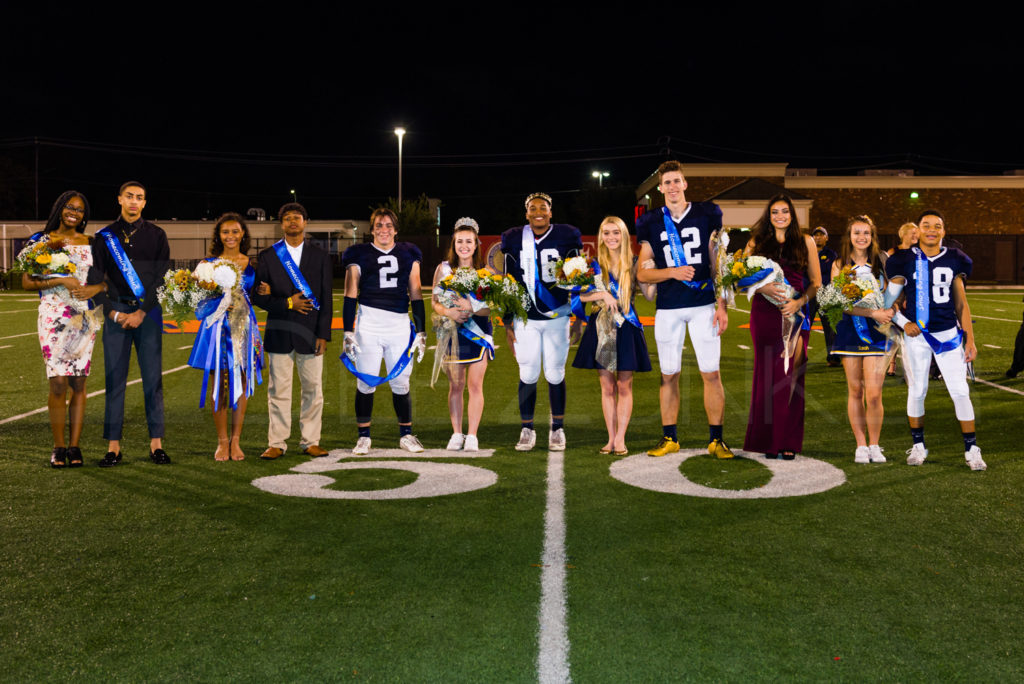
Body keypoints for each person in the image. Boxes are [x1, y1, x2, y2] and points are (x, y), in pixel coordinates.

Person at [636, 161, 733, 459]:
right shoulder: (652, 220)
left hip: (704, 304)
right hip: (668, 307)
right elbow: (642, 273)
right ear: (661, 188)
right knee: (669, 375)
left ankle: (716, 439)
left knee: (711, 373)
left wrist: (722, 305)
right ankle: (670, 438)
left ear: (685, 183)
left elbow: (718, 264)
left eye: (677, 181)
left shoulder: (706, 213)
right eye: (667, 183)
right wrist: (672, 272)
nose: (673, 187)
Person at [884, 209, 985, 471]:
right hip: (917, 336)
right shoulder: (903, 260)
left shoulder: (955, 258)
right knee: (917, 391)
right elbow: (887, 303)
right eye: (926, 225)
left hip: (948, 335)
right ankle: (918, 445)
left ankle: (972, 449)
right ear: (917, 230)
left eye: (937, 226)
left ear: (943, 230)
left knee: (960, 391)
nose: (932, 229)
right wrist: (904, 323)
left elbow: (961, 304)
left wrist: (970, 340)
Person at [21, 191, 106, 467]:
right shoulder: (41, 241)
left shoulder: (92, 243)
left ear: (84, 216)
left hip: (83, 316)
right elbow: (26, 282)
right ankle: (58, 446)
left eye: (80, 210)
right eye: (69, 207)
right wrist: (59, 282)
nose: (74, 212)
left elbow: (106, 281)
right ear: (59, 209)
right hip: (52, 314)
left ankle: (74, 447)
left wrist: (96, 287)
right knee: (58, 381)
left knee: (78, 381)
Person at [92, 181, 171, 467]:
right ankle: (113, 446)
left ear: (145, 203)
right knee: (115, 380)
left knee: (153, 379)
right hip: (116, 314)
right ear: (119, 200)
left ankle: (156, 444)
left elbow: (163, 278)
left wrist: (142, 312)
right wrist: (113, 313)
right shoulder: (104, 237)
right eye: (129, 196)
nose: (134, 202)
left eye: (140, 197)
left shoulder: (157, 235)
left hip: (147, 314)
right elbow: (94, 280)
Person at [500, 192, 583, 451]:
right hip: (526, 318)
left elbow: (579, 277)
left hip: (557, 316)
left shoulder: (567, 235)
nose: (538, 211)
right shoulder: (514, 238)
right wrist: (507, 322)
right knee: (528, 372)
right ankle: (527, 429)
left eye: (543, 207)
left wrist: (579, 318)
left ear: (551, 212)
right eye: (533, 208)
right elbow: (508, 281)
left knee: (556, 373)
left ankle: (557, 429)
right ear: (526, 214)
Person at [742, 194, 822, 459]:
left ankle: (786, 439)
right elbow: (739, 279)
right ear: (769, 214)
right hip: (764, 314)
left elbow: (816, 283)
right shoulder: (756, 241)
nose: (780, 216)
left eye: (785, 211)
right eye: (775, 211)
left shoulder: (806, 241)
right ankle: (766, 440)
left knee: (792, 376)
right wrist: (761, 287)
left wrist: (799, 303)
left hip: (795, 314)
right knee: (767, 377)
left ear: (792, 214)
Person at [251, 202, 333, 460]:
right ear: (282, 224)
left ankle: (310, 441)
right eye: (287, 218)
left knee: (313, 390)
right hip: (279, 331)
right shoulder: (267, 256)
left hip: (310, 333)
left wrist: (323, 334)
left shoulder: (320, 256)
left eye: (297, 217)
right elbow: (259, 297)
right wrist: (287, 302)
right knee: (278, 390)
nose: (292, 222)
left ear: (305, 222)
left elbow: (326, 298)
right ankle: (277, 442)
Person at [342, 208, 427, 454]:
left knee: (401, 382)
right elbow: (350, 293)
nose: (384, 229)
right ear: (372, 229)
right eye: (379, 225)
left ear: (396, 229)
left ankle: (406, 435)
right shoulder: (358, 253)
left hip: (399, 324)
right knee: (366, 381)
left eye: (388, 225)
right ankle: (364, 436)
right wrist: (348, 331)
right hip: (369, 323)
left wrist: (420, 331)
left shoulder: (408, 252)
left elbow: (416, 293)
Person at [572, 216, 654, 454]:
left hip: (627, 327)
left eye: (615, 232)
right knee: (607, 387)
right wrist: (603, 295)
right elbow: (578, 295)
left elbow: (649, 295)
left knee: (625, 385)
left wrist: (654, 276)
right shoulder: (594, 265)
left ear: (624, 235)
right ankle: (610, 438)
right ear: (600, 237)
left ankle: (621, 439)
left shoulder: (635, 262)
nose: (611, 237)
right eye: (606, 233)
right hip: (600, 328)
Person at [188, 213, 264, 461]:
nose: (230, 236)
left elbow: (259, 294)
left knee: (242, 380)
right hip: (217, 329)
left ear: (243, 234)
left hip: (244, 328)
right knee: (218, 382)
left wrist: (267, 289)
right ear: (218, 236)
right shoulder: (207, 264)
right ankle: (221, 442)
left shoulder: (252, 264)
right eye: (225, 232)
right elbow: (197, 301)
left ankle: (236, 441)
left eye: (235, 231)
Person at [830, 215, 893, 463]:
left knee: (874, 394)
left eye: (866, 233)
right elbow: (838, 303)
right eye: (857, 232)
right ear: (849, 236)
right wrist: (870, 311)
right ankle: (861, 445)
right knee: (855, 390)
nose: (861, 237)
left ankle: (875, 444)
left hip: (877, 332)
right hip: (850, 329)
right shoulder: (839, 265)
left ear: (872, 236)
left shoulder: (882, 261)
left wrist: (889, 308)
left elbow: (893, 293)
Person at [431, 217, 493, 451]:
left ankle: (472, 435)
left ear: (476, 244)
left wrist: (471, 307)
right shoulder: (443, 269)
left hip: (478, 334)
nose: (464, 246)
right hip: (452, 334)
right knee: (456, 386)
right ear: (453, 244)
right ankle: (457, 433)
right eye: (459, 241)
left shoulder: (485, 273)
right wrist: (449, 312)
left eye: (469, 241)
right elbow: (435, 303)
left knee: (475, 385)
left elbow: (490, 308)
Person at [810, 226, 840, 366]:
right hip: (809, 294)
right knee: (804, 326)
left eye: (821, 235)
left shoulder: (831, 254)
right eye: (816, 235)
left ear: (827, 238)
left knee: (830, 327)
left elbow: (829, 273)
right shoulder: (807, 253)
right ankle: (799, 354)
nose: (818, 237)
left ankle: (833, 357)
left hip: (825, 294)